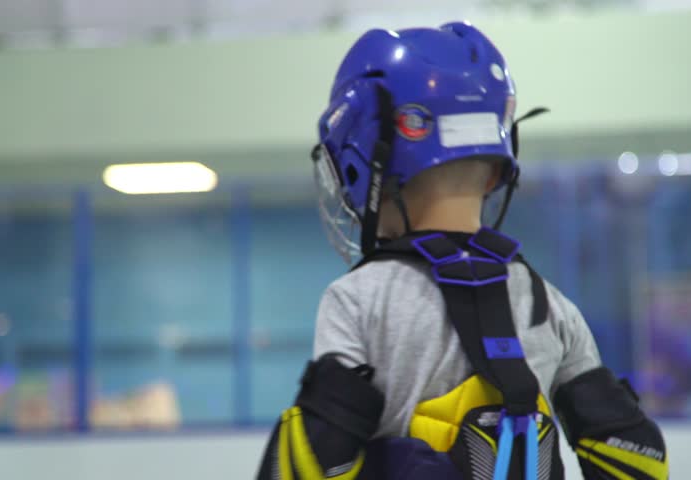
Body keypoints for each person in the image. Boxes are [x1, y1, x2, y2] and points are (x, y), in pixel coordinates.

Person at [257, 22, 667, 480]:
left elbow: (308, 465)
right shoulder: (549, 304)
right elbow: (638, 459)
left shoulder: (357, 300)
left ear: (367, 160)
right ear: (495, 172)